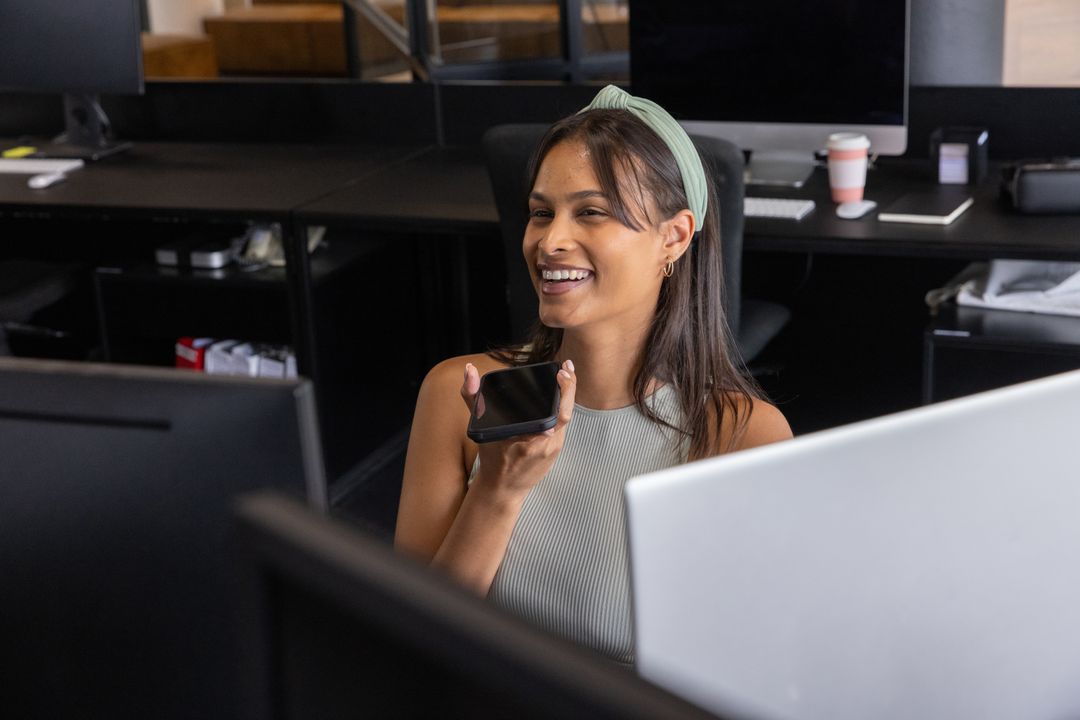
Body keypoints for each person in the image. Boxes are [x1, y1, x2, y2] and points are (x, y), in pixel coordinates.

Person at [395, 85, 792, 665]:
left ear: (674, 238)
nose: (550, 241)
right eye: (540, 213)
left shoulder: (743, 434)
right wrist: (497, 491)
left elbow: (749, 663)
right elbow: (406, 644)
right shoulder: (461, 394)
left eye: (591, 212)